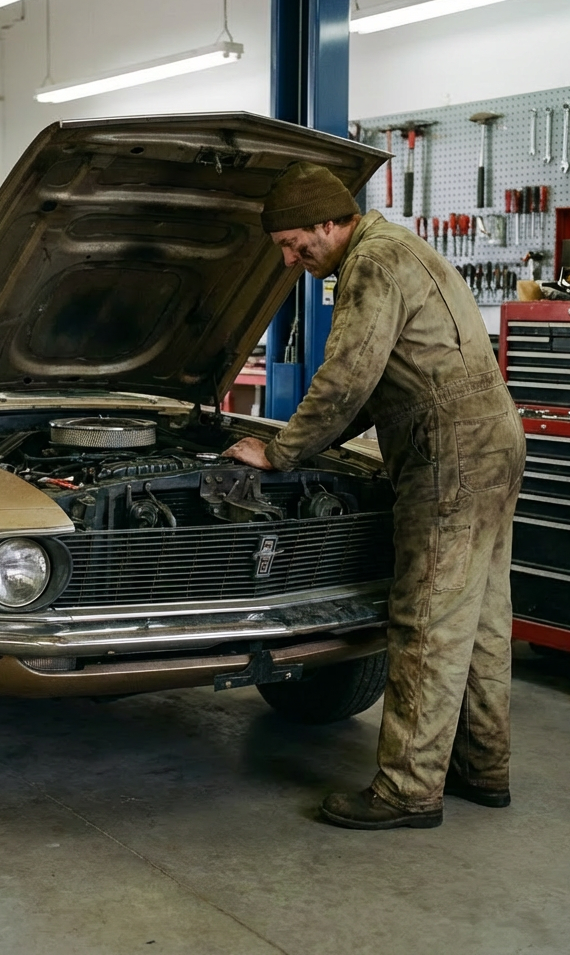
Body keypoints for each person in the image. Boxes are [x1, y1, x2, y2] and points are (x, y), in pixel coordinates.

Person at [224, 163, 526, 830]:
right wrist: (314, 442)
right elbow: (381, 379)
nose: (288, 257)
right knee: (479, 619)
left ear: (331, 222)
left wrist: (280, 451)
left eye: (294, 242)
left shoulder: (369, 267)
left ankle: (407, 791)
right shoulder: (405, 248)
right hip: (492, 438)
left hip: (447, 452)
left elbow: (347, 378)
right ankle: (484, 767)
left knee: (426, 621)